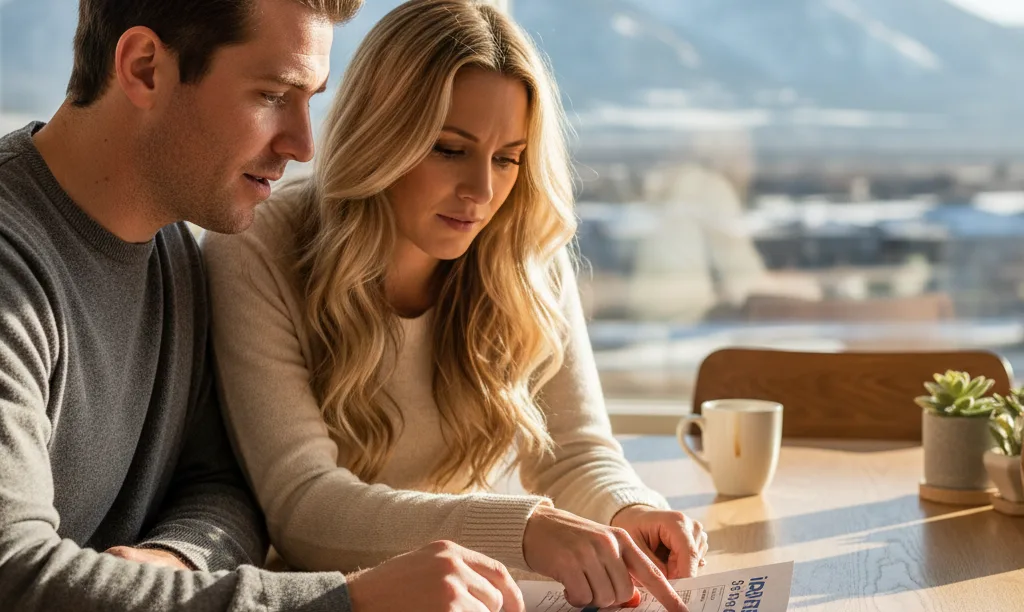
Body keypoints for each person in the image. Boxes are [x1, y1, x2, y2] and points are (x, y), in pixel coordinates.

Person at [0, 0, 526, 610]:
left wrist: (176, 562)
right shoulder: (15, 264)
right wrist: (347, 601)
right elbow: (14, 575)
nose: (304, 146)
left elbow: (221, 488)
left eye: (311, 99)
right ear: (144, 68)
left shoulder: (173, 250)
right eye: (274, 95)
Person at [203, 1, 708, 610]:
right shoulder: (260, 250)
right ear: (381, 134)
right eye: (449, 148)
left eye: (507, 158)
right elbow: (304, 506)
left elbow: (575, 452)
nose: (482, 192)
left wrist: (633, 510)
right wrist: (525, 530)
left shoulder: (523, 249)